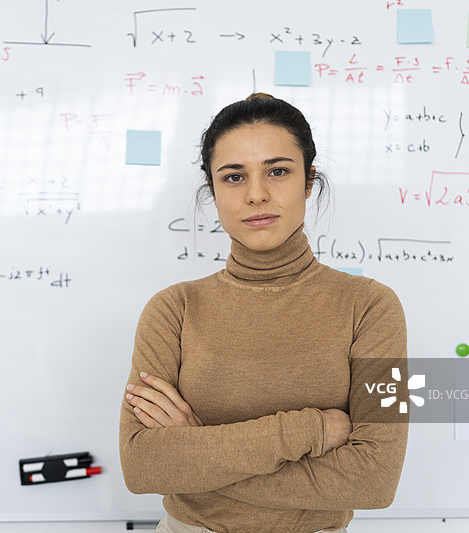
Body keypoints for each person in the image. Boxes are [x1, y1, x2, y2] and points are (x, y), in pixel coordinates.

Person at [119, 93, 408, 533]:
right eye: (234, 177)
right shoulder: (171, 310)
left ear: (309, 182)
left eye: (278, 171)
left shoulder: (373, 307)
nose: (257, 194)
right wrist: (311, 430)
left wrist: (198, 456)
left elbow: (376, 481)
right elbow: (142, 466)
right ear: (212, 191)